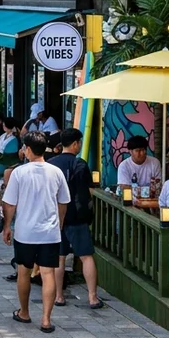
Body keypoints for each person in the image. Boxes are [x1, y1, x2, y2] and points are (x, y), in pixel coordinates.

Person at [1, 131, 70, 333]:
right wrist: (60, 223)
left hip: (25, 232)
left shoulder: (19, 173)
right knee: (48, 273)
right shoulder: (56, 172)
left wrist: (7, 226)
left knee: (24, 272)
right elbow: (63, 202)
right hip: (50, 232)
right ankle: (46, 319)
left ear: (28, 149)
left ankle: (24, 312)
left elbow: (10, 203)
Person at [48, 128, 103, 308]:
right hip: (77, 216)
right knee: (86, 256)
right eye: (79, 142)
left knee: (59, 257)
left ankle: (58, 296)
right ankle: (92, 297)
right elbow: (87, 191)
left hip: (56, 217)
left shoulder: (51, 164)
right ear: (75, 144)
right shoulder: (80, 164)